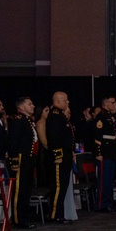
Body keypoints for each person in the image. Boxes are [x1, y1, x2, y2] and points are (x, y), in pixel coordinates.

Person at [6, 97, 39, 229]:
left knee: (26, 189)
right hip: (21, 159)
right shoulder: (18, 121)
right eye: (29, 104)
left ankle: (23, 217)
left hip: (29, 159)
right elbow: (13, 142)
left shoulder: (27, 121)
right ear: (21, 107)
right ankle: (18, 219)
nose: (33, 106)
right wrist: (14, 162)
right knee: (20, 190)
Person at [45, 92, 74, 224]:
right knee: (58, 186)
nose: (67, 103)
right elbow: (54, 137)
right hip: (59, 157)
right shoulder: (55, 116)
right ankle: (55, 214)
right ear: (57, 101)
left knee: (63, 186)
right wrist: (58, 155)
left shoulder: (61, 116)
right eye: (65, 101)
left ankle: (59, 213)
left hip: (65, 155)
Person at [92, 96, 116, 211]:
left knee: (109, 180)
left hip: (111, 152)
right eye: (112, 103)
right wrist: (98, 152)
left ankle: (108, 202)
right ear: (105, 104)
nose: (114, 105)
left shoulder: (110, 116)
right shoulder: (101, 117)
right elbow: (97, 136)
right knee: (104, 180)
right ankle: (102, 204)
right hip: (104, 153)